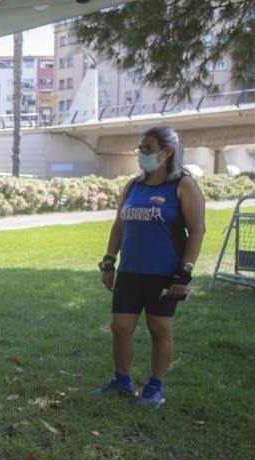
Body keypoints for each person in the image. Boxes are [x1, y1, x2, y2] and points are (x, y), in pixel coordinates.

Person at [92, 125, 205, 407]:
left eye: (148, 149)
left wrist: (184, 273)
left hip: (165, 274)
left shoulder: (183, 185)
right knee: (120, 327)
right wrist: (109, 261)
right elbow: (119, 225)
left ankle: (155, 387)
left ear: (167, 152)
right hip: (130, 271)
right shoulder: (134, 185)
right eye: (140, 149)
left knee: (159, 329)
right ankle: (122, 381)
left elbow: (197, 230)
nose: (142, 154)